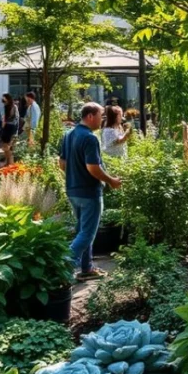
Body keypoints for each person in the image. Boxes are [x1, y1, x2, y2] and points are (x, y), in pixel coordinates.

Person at [58, 103, 122, 281]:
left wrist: (75, 175)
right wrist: (111, 181)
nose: (102, 120)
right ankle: (62, 268)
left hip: (73, 190)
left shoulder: (69, 134)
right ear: (90, 116)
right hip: (89, 192)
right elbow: (93, 167)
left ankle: (86, 269)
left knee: (83, 231)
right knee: (87, 233)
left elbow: (61, 164)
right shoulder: (90, 138)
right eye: (101, 116)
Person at [0, 93, 20, 167]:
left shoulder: (13, 107)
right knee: (5, 146)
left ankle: (10, 163)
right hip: (6, 127)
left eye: (4, 98)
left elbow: (16, 119)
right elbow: (3, 118)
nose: (3, 100)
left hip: (11, 127)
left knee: (8, 146)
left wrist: (16, 131)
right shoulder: (5, 106)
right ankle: (8, 162)